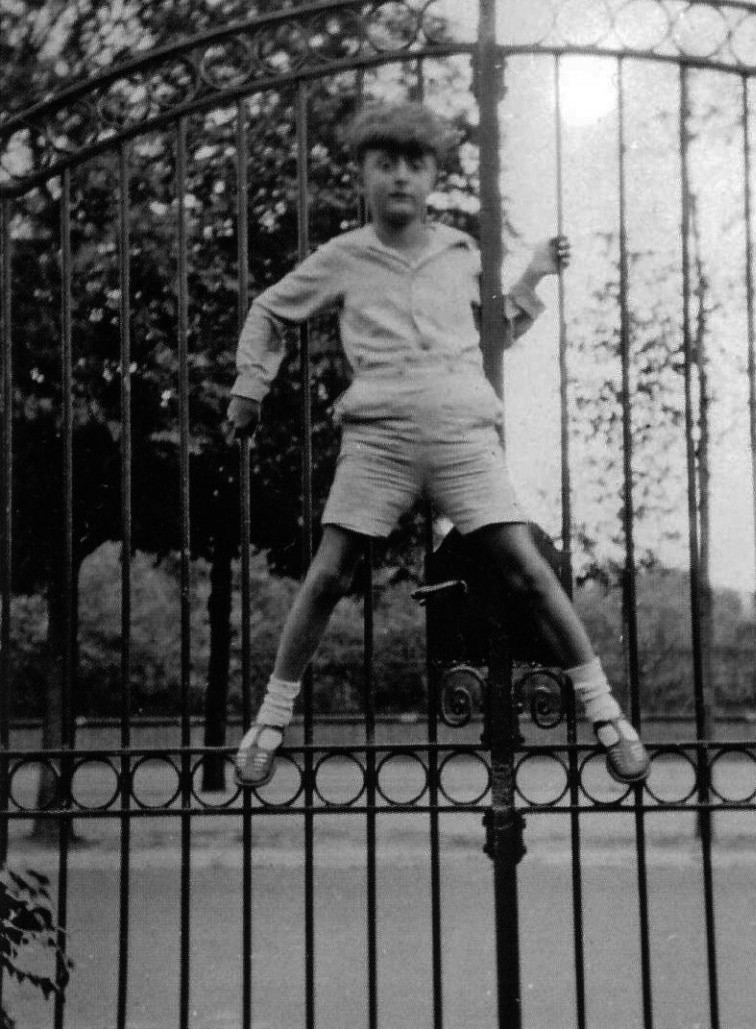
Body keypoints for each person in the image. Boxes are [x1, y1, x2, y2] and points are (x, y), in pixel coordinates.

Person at [226, 100, 650, 789]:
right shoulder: (342, 257)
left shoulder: (460, 252)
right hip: (380, 437)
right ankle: (270, 719)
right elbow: (269, 308)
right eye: (384, 164)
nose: (399, 178)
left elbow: (495, 334)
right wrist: (251, 387)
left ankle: (606, 714)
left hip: (461, 431)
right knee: (329, 573)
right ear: (363, 173)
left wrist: (535, 272)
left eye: (414, 165)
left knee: (527, 568)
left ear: (431, 176)